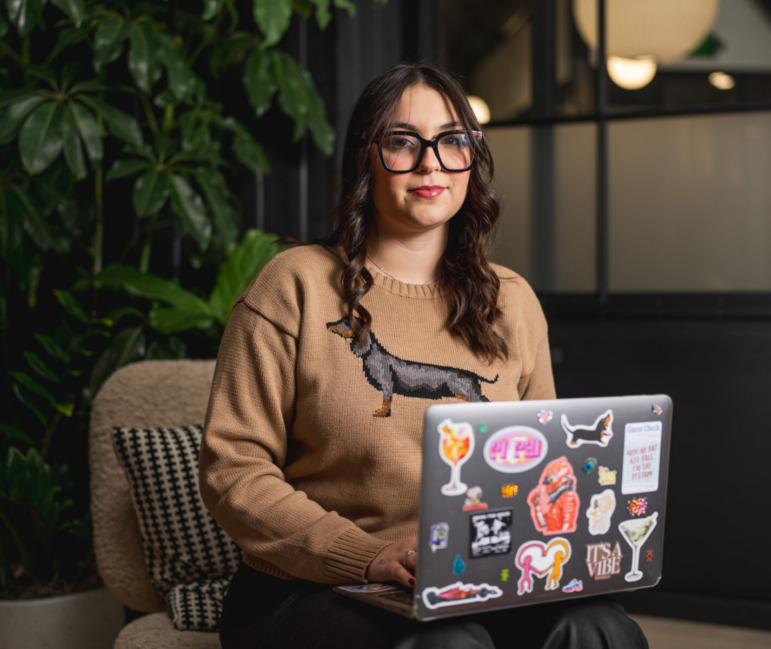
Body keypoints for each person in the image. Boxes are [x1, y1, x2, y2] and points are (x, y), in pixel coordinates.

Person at [199, 62, 649, 649]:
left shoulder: (510, 301)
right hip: (318, 588)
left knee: (598, 630)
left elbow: (547, 470)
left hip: (481, 578)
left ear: (471, 159)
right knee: (448, 644)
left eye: (452, 141)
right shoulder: (295, 285)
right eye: (403, 142)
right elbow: (232, 470)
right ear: (367, 156)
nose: (431, 161)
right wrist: (366, 556)